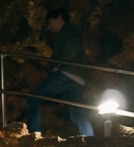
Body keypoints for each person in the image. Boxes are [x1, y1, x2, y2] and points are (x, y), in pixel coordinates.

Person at [26, 8, 94, 137]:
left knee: (33, 99)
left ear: (60, 18)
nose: (49, 26)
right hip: (77, 77)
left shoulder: (68, 31)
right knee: (77, 112)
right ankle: (89, 138)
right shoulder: (69, 31)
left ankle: (34, 134)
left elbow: (73, 48)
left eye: (50, 21)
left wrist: (56, 65)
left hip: (67, 73)